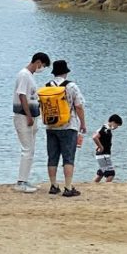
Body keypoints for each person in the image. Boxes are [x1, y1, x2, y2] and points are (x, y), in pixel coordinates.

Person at [41, 60, 87, 198]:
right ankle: (68, 187)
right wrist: (82, 123)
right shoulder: (71, 86)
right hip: (68, 126)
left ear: (54, 72)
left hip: (51, 126)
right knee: (68, 158)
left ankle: (54, 185)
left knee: (52, 157)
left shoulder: (47, 86)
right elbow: (78, 106)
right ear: (66, 72)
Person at [12, 52, 50, 193]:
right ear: (38, 62)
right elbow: (21, 95)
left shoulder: (30, 76)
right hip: (23, 116)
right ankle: (20, 182)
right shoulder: (24, 75)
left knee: (31, 150)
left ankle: (25, 179)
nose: (42, 68)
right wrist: (27, 115)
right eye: (43, 65)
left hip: (33, 116)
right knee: (27, 149)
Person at [92, 114, 123, 183]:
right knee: (111, 173)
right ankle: (107, 187)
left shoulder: (106, 129)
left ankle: (94, 185)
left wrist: (99, 145)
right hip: (103, 154)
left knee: (102, 172)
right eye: (117, 125)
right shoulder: (105, 129)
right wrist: (101, 147)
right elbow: (95, 137)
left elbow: (99, 138)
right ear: (113, 122)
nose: (117, 127)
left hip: (102, 154)